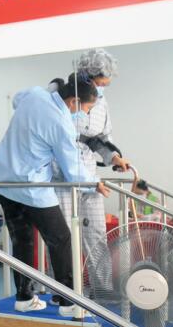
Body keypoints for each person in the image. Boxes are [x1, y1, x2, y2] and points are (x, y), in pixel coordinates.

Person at [0, 73, 109, 317]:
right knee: (61, 239)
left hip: (2, 182)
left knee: (22, 241)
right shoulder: (61, 123)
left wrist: (50, 90)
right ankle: (69, 303)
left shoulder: (36, 95)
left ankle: (24, 298)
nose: (84, 114)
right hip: (30, 186)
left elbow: (16, 99)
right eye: (86, 109)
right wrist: (95, 183)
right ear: (74, 102)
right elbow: (73, 171)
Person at [49, 49, 127, 304]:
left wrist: (113, 157)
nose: (103, 88)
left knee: (96, 232)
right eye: (101, 82)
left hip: (90, 174)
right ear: (87, 75)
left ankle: (102, 288)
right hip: (62, 176)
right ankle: (63, 289)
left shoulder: (101, 103)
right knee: (63, 235)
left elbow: (102, 138)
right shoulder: (62, 95)